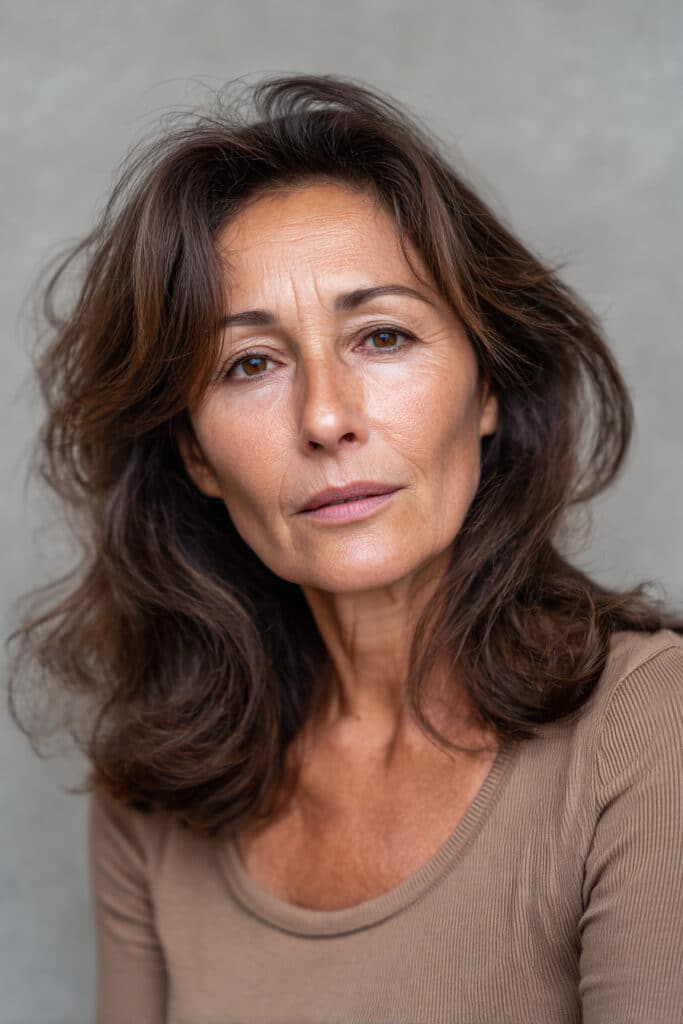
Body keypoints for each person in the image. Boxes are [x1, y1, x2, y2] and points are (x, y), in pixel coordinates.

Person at [6, 72, 683, 1024]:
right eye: (249, 363)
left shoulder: (651, 730)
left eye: (381, 336)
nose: (325, 418)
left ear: (487, 388)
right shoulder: (157, 784)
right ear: (195, 455)